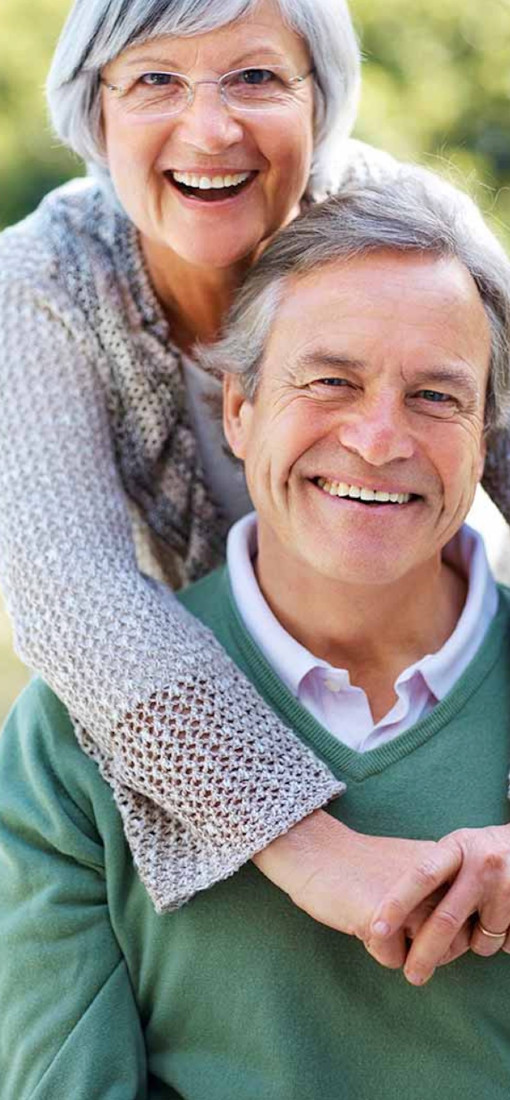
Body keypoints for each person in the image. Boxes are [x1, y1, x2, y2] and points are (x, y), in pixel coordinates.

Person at [0, 0, 508, 944]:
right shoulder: (38, 285)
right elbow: (72, 594)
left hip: (420, 691)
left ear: (321, 100)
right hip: (167, 719)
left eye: (257, 76)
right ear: (93, 110)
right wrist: (311, 849)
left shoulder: (419, 237)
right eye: (155, 79)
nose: (211, 128)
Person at [2, 170, 510, 1100]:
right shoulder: (63, 742)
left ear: (487, 435)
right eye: (330, 381)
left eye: (437, 397)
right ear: (238, 409)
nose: (377, 439)